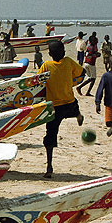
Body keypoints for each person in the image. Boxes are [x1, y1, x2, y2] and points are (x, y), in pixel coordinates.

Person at [38, 40, 84, 178]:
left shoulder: (46, 65)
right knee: (74, 109)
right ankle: (78, 115)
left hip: (54, 106)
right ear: (64, 52)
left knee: (50, 136)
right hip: (69, 103)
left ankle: (49, 166)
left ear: (49, 53)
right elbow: (81, 73)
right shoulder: (69, 62)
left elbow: (38, 81)